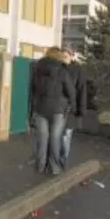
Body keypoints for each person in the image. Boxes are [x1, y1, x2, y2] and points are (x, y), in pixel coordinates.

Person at [29, 47, 75, 175]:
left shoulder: (37, 70)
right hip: (58, 110)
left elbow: (33, 91)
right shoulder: (62, 71)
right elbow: (71, 91)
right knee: (55, 138)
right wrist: (71, 105)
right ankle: (54, 167)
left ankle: (40, 166)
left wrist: (31, 110)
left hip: (40, 108)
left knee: (42, 138)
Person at [61, 47, 87, 167]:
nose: (63, 59)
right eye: (62, 56)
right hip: (58, 106)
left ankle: (63, 161)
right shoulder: (58, 68)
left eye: (66, 56)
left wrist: (80, 110)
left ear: (71, 57)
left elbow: (82, 90)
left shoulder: (78, 70)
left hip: (70, 107)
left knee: (66, 134)